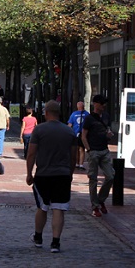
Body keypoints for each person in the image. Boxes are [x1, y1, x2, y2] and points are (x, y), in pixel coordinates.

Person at [26, 100, 77, 253]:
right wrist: (70, 173)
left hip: (43, 174)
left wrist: (29, 173)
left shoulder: (39, 130)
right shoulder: (69, 132)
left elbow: (31, 153)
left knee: (42, 207)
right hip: (62, 174)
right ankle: (55, 242)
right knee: (58, 208)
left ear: (46, 113)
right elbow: (73, 156)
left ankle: (38, 237)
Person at [81, 94, 115, 218]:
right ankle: (95, 206)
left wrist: (109, 135)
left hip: (104, 150)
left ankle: (101, 199)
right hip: (94, 151)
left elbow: (107, 130)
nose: (104, 106)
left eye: (104, 103)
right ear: (95, 104)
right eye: (101, 103)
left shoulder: (106, 117)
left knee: (110, 176)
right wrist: (89, 150)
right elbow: (83, 135)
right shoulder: (89, 119)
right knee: (93, 179)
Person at [67, 101, 89, 170]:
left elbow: (69, 125)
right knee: (82, 149)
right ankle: (81, 164)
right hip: (83, 135)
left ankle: (76, 163)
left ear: (77, 106)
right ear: (83, 106)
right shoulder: (87, 114)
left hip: (75, 134)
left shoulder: (73, 114)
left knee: (76, 149)